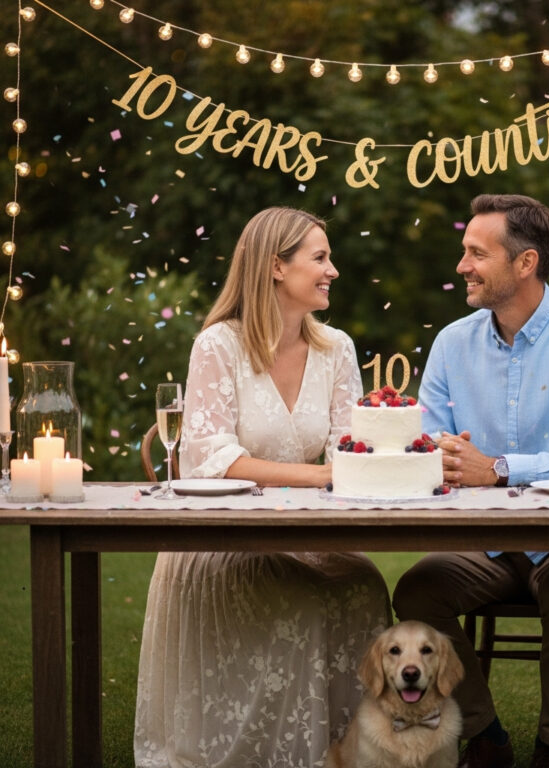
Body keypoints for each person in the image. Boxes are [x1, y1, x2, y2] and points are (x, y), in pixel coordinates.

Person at [134, 207, 391, 768]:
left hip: (305, 534)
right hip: (221, 542)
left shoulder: (336, 349)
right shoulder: (218, 346)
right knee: (300, 600)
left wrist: (382, 455)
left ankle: (347, 753)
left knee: (365, 585)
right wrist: (322, 474)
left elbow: (354, 448)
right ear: (276, 267)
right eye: (320, 258)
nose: (333, 271)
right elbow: (212, 458)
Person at [392, 194, 549, 768]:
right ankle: (485, 736)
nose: (462, 265)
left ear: (524, 263)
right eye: (464, 251)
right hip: (488, 546)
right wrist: (440, 455)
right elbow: (429, 447)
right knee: (417, 591)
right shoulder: (453, 342)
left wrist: (499, 469)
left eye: (477, 253)